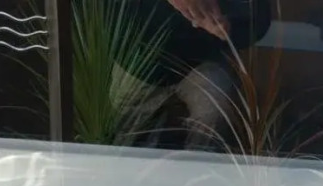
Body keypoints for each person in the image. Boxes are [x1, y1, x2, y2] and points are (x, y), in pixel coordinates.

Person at [111, 0, 272, 149]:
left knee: (214, 107)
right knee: (123, 133)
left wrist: (226, 24)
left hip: (202, 58)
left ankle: (199, 163)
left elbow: (257, 19)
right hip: (139, 58)